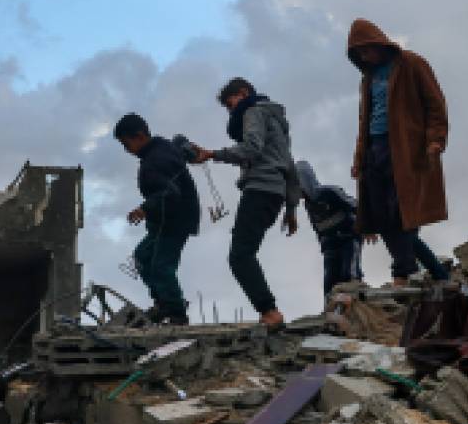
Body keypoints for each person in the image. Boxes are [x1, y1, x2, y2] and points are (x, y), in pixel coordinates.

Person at [347, 19, 450, 285]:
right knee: (380, 215)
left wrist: (436, 140)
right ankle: (427, 272)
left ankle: (403, 271)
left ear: (378, 43)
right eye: (359, 54)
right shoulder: (368, 78)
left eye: (366, 50)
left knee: (402, 212)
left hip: (406, 149)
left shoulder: (412, 64)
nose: (364, 56)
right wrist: (359, 157)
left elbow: (435, 105)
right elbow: (363, 120)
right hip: (374, 149)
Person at [193, 78, 301, 327]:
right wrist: (291, 208)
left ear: (243, 93)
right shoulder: (276, 121)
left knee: (240, 255)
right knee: (244, 252)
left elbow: (251, 147)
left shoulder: (253, 111)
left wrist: (213, 154)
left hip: (259, 189)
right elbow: (290, 165)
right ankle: (269, 311)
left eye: (231, 105)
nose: (231, 113)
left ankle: (270, 312)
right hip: (273, 195)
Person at [115, 113, 200, 325]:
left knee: (162, 266)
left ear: (140, 136)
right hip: (164, 219)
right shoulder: (159, 148)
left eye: (127, 144)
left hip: (175, 220)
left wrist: (144, 208)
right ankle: (163, 302)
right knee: (143, 256)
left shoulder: (156, 160)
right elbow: (178, 145)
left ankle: (177, 313)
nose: (126, 150)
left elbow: (171, 194)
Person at [296, 161, 364, 296]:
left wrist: (367, 227)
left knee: (349, 273)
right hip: (329, 246)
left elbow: (355, 206)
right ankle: (331, 310)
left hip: (348, 238)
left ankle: (354, 305)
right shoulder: (308, 205)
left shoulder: (329, 192)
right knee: (329, 282)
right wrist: (323, 245)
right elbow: (317, 228)